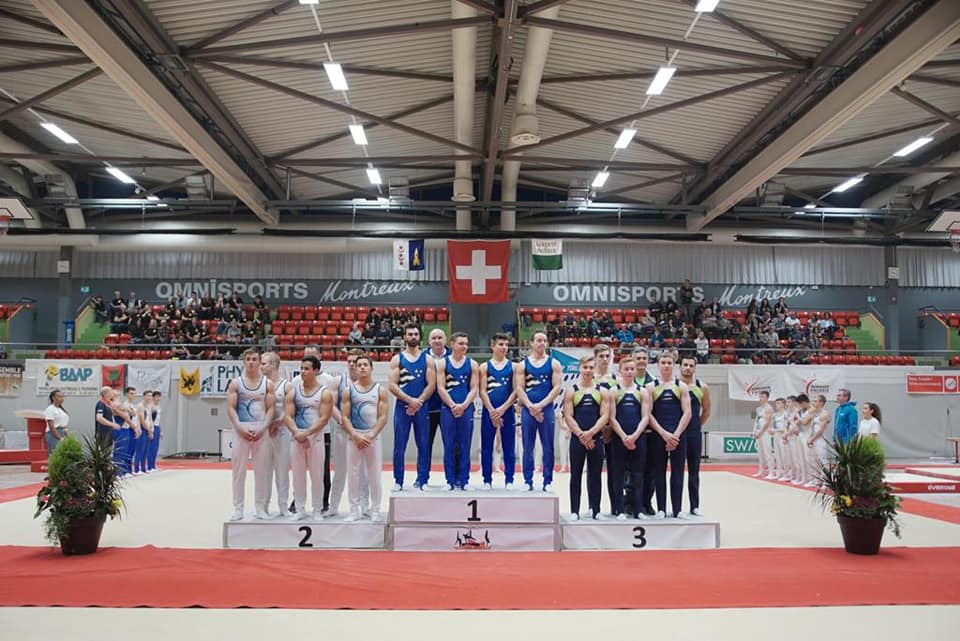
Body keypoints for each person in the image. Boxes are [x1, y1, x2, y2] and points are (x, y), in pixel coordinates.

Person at [225, 348, 276, 521]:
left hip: (261, 431)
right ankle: (238, 507)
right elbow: (231, 408)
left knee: (261, 471)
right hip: (241, 430)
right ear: (244, 361)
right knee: (238, 471)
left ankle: (260, 507)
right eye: (248, 359)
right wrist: (239, 427)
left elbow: (271, 409)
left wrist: (263, 428)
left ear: (259, 361)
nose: (252, 362)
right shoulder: (236, 383)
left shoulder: (267, 384)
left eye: (255, 359)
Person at [388, 323, 436, 490]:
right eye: (410, 334)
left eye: (416, 334)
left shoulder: (428, 359)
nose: (413, 336)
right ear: (405, 337)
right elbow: (392, 386)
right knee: (399, 445)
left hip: (421, 408)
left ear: (420, 337)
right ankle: (398, 481)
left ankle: (423, 480)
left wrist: (418, 402)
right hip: (403, 407)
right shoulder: (397, 359)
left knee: (423, 444)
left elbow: (431, 384)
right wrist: (410, 401)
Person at [514, 330, 563, 492]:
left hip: (546, 409)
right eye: (538, 340)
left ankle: (547, 481)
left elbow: (556, 387)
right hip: (528, 410)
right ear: (532, 343)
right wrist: (530, 406)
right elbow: (519, 388)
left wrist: (540, 405)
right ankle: (528, 480)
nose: (542, 343)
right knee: (527, 446)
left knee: (548, 446)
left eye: (544, 340)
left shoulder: (554, 364)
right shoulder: (523, 365)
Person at [645, 350, 691, 519]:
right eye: (663, 363)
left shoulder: (681, 386)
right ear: (657, 366)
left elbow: (688, 413)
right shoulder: (651, 387)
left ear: (674, 366)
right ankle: (661, 509)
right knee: (659, 472)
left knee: (678, 472)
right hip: (659, 435)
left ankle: (677, 509)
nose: (666, 366)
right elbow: (647, 414)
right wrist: (664, 434)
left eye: (669, 363)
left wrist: (676, 434)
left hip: (678, 435)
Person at [285, 355, 332, 520]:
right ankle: (299, 509)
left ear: (316, 371)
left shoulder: (324, 393)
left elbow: (324, 418)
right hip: (297, 437)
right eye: (302, 368)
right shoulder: (293, 391)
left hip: (315, 438)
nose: (303, 372)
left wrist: (307, 433)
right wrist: (297, 432)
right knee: (297, 475)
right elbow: (288, 416)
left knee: (317, 475)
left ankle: (317, 509)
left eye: (307, 369)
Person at [340, 354, 387, 521]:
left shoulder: (379, 390)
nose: (361, 367)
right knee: (353, 474)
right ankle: (354, 510)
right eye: (359, 365)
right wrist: (354, 434)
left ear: (371, 368)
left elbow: (383, 416)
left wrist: (372, 434)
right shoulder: (349, 391)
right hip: (354, 438)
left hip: (373, 437)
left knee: (374, 474)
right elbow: (344, 416)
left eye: (365, 365)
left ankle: (375, 509)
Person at [563, 355, 609, 520]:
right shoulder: (571, 391)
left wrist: (591, 433)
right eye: (585, 367)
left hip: (595, 439)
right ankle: (574, 511)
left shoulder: (602, 391)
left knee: (595, 475)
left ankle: (595, 510)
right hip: (578, 439)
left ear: (594, 369)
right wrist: (581, 435)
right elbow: (568, 416)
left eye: (591, 367)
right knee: (575, 475)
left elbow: (605, 416)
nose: (588, 371)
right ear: (580, 368)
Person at [607, 356, 650, 520]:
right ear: (620, 371)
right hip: (619, 438)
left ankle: (638, 509)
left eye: (632, 369)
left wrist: (635, 436)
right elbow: (611, 417)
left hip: (638, 437)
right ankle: (619, 509)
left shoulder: (642, 391)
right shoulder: (614, 391)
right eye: (626, 369)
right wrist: (624, 436)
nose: (630, 372)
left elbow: (645, 417)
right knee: (618, 474)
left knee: (638, 475)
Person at [329, 349, 369, 517]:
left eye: (355, 362)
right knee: (340, 470)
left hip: (361, 432)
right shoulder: (338, 381)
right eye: (350, 361)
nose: (352, 364)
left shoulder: (367, 383)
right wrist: (343, 422)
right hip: (342, 430)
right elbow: (331, 405)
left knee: (363, 471)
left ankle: (364, 506)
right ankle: (333, 506)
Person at [437, 332, 479, 491]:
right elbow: (440, 387)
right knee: (449, 445)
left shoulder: (472, 364)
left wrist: (464, 405)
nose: (464, 347)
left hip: (466, 409)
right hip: (448, 409)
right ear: (453, 344)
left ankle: (464, 480)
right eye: (461, 343)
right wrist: (453, 405)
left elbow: (474, 388)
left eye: (466, 344)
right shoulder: (442, 363)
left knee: (464, 445)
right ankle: (449, 480)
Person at [480, 333, 517, 490]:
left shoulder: (514, 367)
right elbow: (482, 391)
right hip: (489, 411)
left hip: (507, 411)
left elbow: (516, 391)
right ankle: (487, 480)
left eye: (506, 344)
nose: (504, 347)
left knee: (509, 446)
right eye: (501, 344)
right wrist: (491, 410)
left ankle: (509, 479)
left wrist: (502, 409)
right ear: (492, 346)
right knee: (487, 446)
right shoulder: (484, 367)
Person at [678, 355, 710, 518]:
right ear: (680, 366)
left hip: (693, 433)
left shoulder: (702, 387)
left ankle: (694, 506)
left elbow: (706, 411)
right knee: (676, 472)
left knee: (693, 471)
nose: (688, 368)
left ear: (695, 368)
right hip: (676, 432)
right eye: (685, 365)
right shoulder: (674, 386)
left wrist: (696, 426)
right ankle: (675, 507)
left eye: (691, 365)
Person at [260, 351, 291, 517]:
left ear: (273, 365)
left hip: (282, 431)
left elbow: (291, 411)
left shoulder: (286, 385)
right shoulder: (259, 385)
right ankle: (263, 506)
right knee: (264, 470)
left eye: (264, 363)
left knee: (282, 470)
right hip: (264, 432)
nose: (260, 366)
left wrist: (277, 423)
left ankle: (283, 506)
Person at [425, 328, 451, 471]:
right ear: (429, 341)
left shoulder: (454, 357)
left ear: (445, 340)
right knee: (425, 444)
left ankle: (454, 477)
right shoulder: (421, 358)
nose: (437, 341)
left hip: (449, 408)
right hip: (428, 408)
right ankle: (422, 478)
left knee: (452, 444)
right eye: (434, 338)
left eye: (440, 338)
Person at [751, 391, 775, 479]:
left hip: (765, 433)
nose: (760, 398)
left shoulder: (769, 408)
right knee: (760, 453)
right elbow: (756, 420)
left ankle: (771, 472)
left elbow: (767, 422)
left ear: (767, 398)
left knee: (767, 452)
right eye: (760, 396)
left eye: (763, 397)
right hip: (758, 432)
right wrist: (754, 431)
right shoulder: (758, 408)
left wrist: (760, 432)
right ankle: (761, 471)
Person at [132, 390, 153, 475]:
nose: (149, 398)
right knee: (140, 450)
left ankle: (144, 468)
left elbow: (150, 419)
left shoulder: (149, 406)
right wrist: (148, 430)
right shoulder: (140, 406)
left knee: (145, 450)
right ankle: (137, 469)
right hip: (143, 430)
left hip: (148, 429)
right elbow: (142, 420)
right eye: (148, 396)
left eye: (151, 396)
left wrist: (151, 429)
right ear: (143, 396)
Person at [43, 389, 69, 455]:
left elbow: (64, 424)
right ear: (53, 398)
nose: (62, 398)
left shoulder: (61, 409)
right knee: (55, 455)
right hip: (53, 434)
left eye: (63, 397)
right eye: (59, 396)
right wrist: (59, 438)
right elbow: (52, 427)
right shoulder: (50, 409)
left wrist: (66, 436)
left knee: (62, 455)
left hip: (62, 432)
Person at [771, 397, 788, 481]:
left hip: (783, 436)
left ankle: (786, 474)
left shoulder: (786, 414)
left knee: (783, 455)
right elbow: (773, 426)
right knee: (777, 455)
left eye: (778, 403)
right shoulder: (774, 414)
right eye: (776, 403)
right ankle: (779, 473)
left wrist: (776, 430)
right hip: (776, 436)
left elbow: (786, 427)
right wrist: (772, 430)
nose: (776, 405)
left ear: (783, 404)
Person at [147, 391, 162, 473]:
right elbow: (150, 419)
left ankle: (153, 465)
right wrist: (150, 429)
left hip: (157, 427)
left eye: (159, 397)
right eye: (156, 397)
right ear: (153, 398)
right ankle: (149, 466)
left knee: (156, 447)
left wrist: (161, 430)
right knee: (151, 447)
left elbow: (159, 420)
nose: (158, 398)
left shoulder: (159, 407)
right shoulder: (151, 407)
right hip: (152, 427)